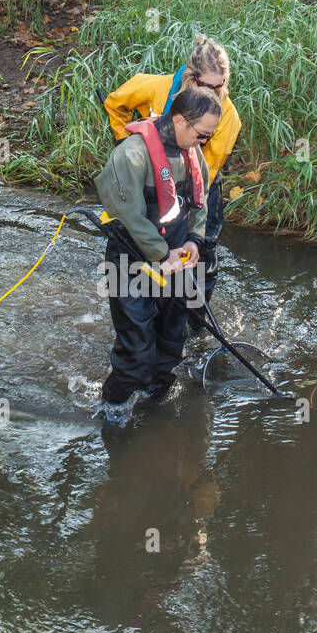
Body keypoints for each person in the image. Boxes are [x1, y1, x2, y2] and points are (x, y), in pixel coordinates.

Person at [95, 85, 221, 405]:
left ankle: (154, 411)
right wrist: (161, 255)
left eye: (209, 135)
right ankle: (110, 413)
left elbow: (200, 202)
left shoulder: (192, 151)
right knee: (136, 358)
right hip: (131, 264)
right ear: (180, 121)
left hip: (177, 261)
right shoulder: (131, 154)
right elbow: (129, 216)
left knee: (169, 350)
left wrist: (194, 241)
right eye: (203, 135)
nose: (205, 141)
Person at [103, 34, 240, 323]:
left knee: (201, 252)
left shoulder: (228, 117)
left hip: (195, 183)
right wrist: (124, 144)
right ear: (191, 78)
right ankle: (143, 307)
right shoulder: (155, 86)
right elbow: (115, 103)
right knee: (139, 241)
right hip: (150, 178)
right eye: (208, 87)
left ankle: (191, 323)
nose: (215, 94)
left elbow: (205, 175)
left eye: (221, 87)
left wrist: (188, 232)